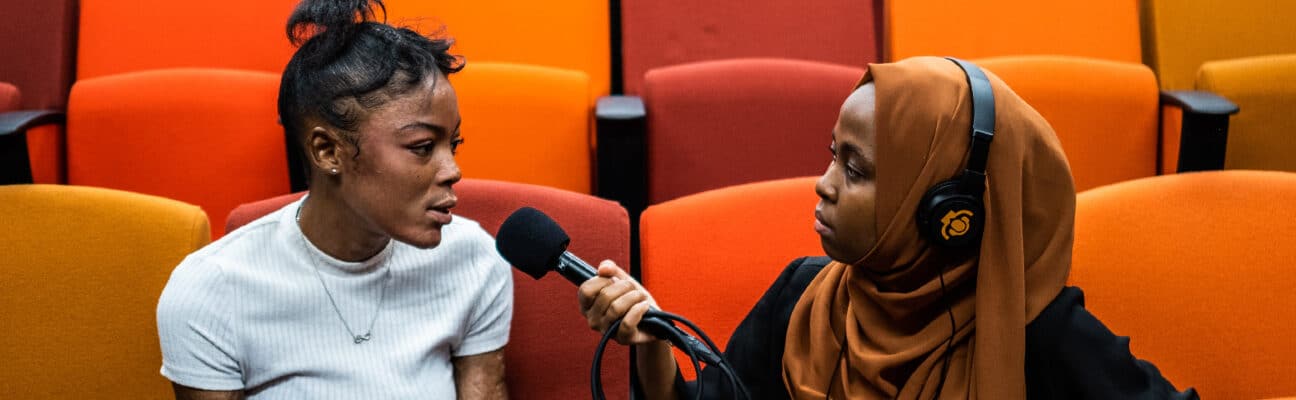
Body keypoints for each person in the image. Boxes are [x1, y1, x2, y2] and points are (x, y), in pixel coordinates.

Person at [578, 57, 1198, 399]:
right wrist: (654, 346)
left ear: (949, 213)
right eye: (831, 155)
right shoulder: (803, 298)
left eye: (856, 168)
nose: (822, 184)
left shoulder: (1041, 331)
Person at [155, 0, 512, 398]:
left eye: (454, 144)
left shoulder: (474, 259)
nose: (452, 170)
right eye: (423, 146)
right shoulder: (211, 290)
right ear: (328, 151)